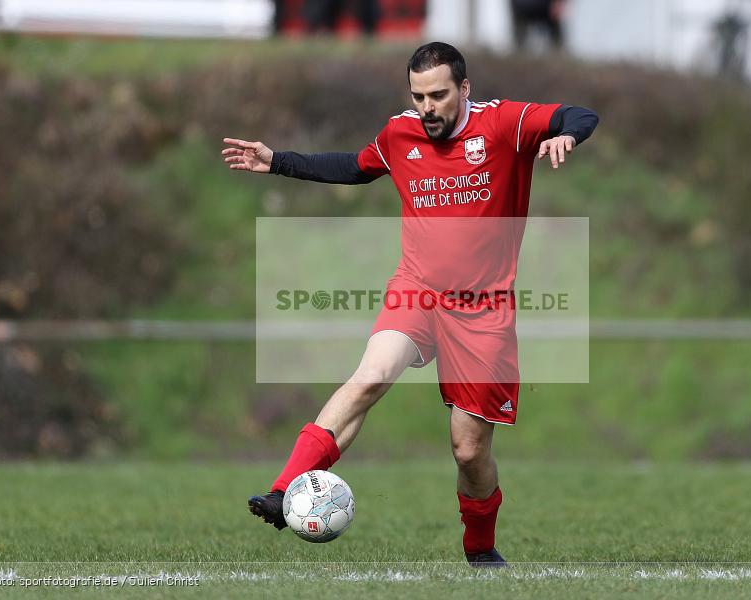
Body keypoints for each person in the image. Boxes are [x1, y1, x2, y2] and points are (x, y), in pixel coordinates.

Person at [221, 42, 598, 567]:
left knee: (469, 451)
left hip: (483, 310)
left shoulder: (503, 124)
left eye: (439, 95)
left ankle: (480, 547)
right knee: (370, 376)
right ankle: (285, 491)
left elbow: (581, 113)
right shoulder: (401, 133)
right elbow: (354, 167)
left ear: (464, 89)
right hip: (416, 290)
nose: (428, 107)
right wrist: (277, 160)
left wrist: (565, 134)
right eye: (419, 96)